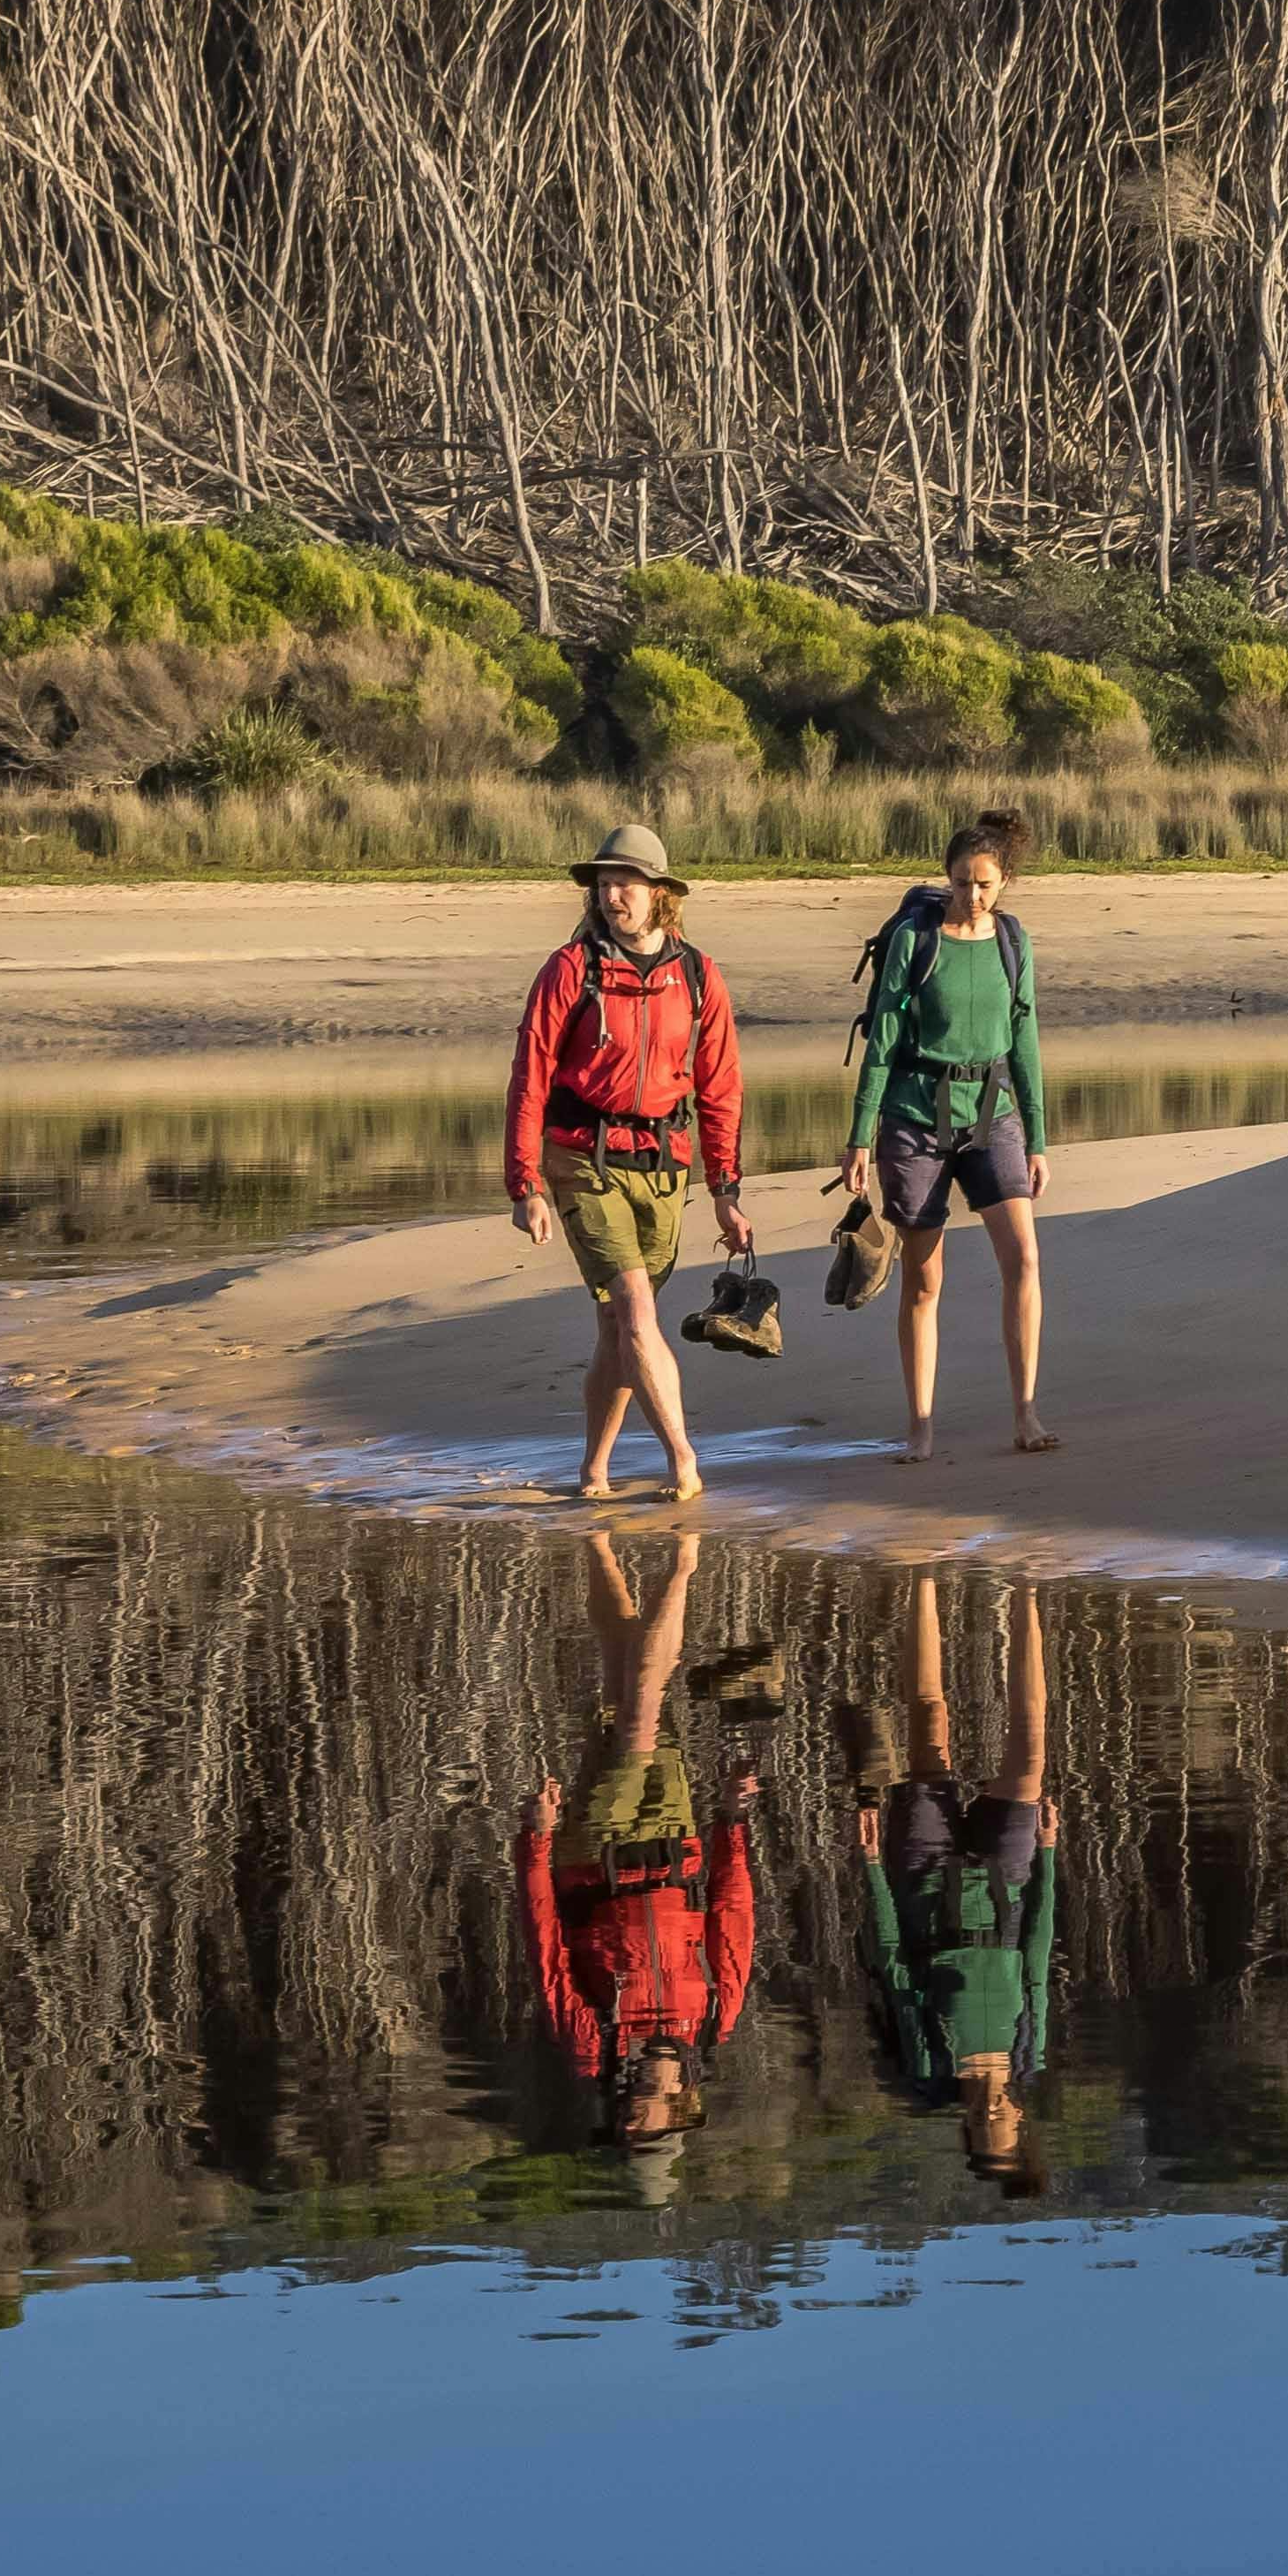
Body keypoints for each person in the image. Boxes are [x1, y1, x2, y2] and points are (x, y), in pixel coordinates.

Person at [507, 820, 751, 1503]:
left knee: (617, 1325)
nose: (613, 896)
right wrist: (524, 1182)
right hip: (582, 1160)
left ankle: (592, 1472)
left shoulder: (698, 975)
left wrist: (725, 1189)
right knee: (637, 1309)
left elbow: (721, 1086)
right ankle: (683, 1461)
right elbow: (530, 1076)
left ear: (659, 896)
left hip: (666, 1165)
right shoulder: (568, 969)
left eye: (627, 884)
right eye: (604, 884)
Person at [521, 1531, 761, 2187]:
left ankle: (683, 1559)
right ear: (681, 2112)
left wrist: (536, 1841)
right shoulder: (715, 2021)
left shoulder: (592, 2047)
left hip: (592, 1853)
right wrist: (731, 1821)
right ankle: (597, 1544)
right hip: (677, 1845)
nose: (630, 2121)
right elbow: (732, 1920)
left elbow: (545, 1945)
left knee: (639, 1715)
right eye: (646, 2134)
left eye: (625, 2132)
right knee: (622, 1683)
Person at [840, 810, 1054, 1462]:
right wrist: (858, 1137)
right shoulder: (914, 940)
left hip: (993, 1111)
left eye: (984, 883)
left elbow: (1025, 1042)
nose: (971, 896)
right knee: (923, 1281)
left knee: (1023, 1259)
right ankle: (921, 1427)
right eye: (961, 882)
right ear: (947, 878)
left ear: (1005, 882)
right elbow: (880, 1045)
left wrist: (1038, 1138)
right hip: (913, 1115)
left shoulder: (1012, 943)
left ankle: (1026, 1416)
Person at [854, 1571, 1059, 2196]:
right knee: (1029, 1752)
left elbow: (892, 1966)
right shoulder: (1029, 2052)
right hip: (1007, 1886)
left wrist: (870, 1869)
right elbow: (1037, 1959)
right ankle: (1026, 1590)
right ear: (1020, 2119)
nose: (988, 2112)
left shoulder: (927, 2062)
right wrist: (1049, 1856)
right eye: (1000, 2120)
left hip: (921, 1882)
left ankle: (922, 1576)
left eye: (978, 2124)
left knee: (930, 1727)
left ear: (965, 2129)